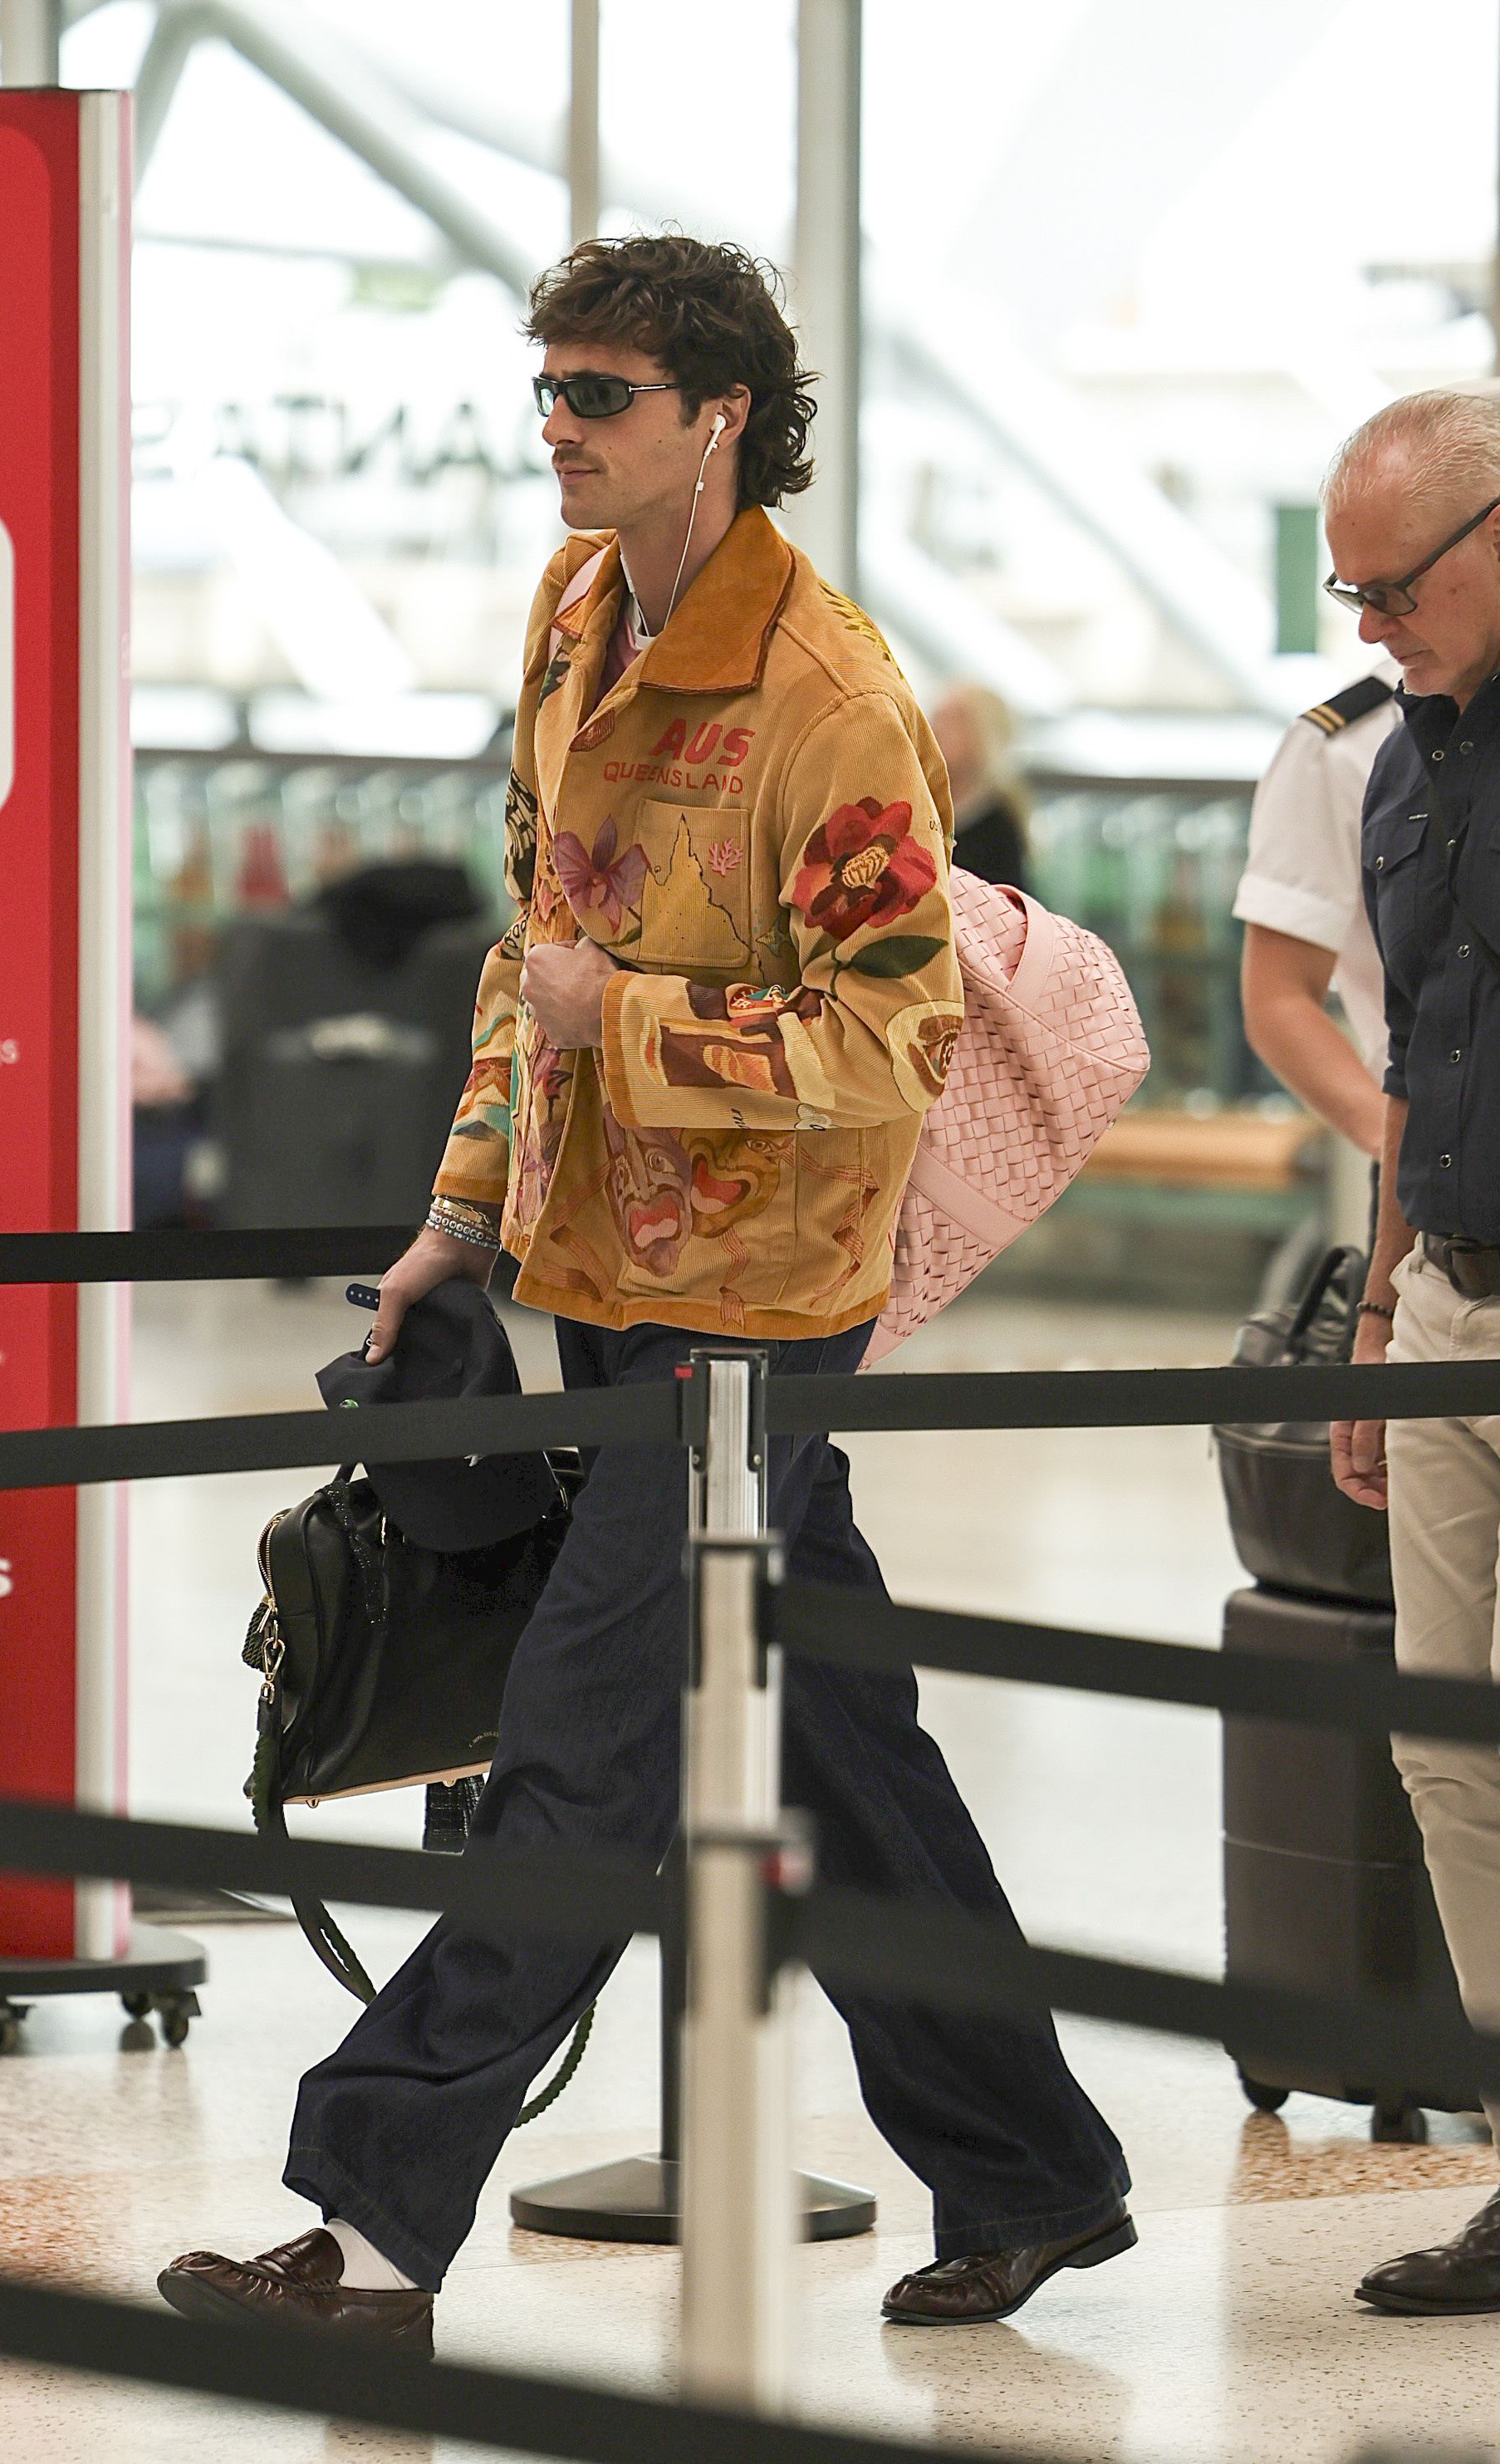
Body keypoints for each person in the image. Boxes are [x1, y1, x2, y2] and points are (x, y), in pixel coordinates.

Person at [159, 234, 1132, 2344]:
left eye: (597, 397)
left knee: (581, 1751)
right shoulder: (570, 617)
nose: (556, 433)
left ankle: (376, 2215)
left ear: (718, 416)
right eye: (550, 392)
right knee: (841, 1748)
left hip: (758, 1319)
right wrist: (456, 1213)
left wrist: (638, 1028)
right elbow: (536, 954)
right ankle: (1034, 2167)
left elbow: (886, 1043)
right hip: (600, 1277)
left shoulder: (830, 696)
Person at [1324, 388, 1500, 2314]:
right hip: (1447, 1291)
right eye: (1343, 590)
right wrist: (1377, 1310)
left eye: (1394, 586)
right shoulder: (1396, 773)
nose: (1366, 624)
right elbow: (1406, 1063)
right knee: (1448, 1745)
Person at [1234, 658, 1398, 1157]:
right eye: (1358, 597)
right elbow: (1278, 997)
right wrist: (1409, 1162)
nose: (1370, 626)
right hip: (1454, 1180)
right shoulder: (1346, 746)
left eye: (1396, 589)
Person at [929, 680, 1031, 892]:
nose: (936, 727)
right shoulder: (918, 802)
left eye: (955, 719)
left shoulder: (999, 828)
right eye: (937, 715)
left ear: (985, 734)